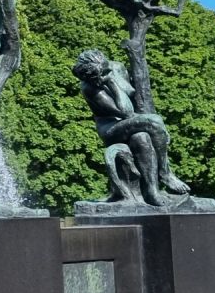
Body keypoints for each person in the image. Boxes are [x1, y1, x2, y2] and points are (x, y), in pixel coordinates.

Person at [72, 51, 190, 207]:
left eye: (107, 69)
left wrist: (114, 76)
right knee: (154, 121)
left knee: (141, 137)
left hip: (130, 122)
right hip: (111, 129)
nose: (108, 72)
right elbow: (126, 112)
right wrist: (111, 82)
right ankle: (165, 173)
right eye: (103, 74)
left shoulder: (117, 67)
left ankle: (152, 191)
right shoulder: (89, 88)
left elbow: (131, 93)